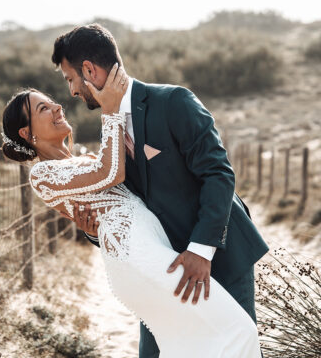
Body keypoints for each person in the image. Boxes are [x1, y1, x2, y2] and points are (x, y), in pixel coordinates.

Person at [1, 65, 262, 357]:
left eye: (51, 101)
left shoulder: (88, 155)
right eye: (43, 108)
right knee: (238, 330)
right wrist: (110, 111)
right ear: (26, 132)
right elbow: (110, 173)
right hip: (139, 255)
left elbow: (118, 195)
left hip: (157, 246)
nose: (58, 105)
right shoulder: (43, 174)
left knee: (187, 343)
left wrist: (93, 231)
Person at [54, 23, 269, 358]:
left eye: (70, 79)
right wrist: (94, 232)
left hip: (219, 256)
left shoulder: (173, 102)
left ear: (89, 70)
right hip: (163, 270)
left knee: (231, 349)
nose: (71, 92)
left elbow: (218, 175)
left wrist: (201, 250)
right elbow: (123, 206)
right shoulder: (109, 132)